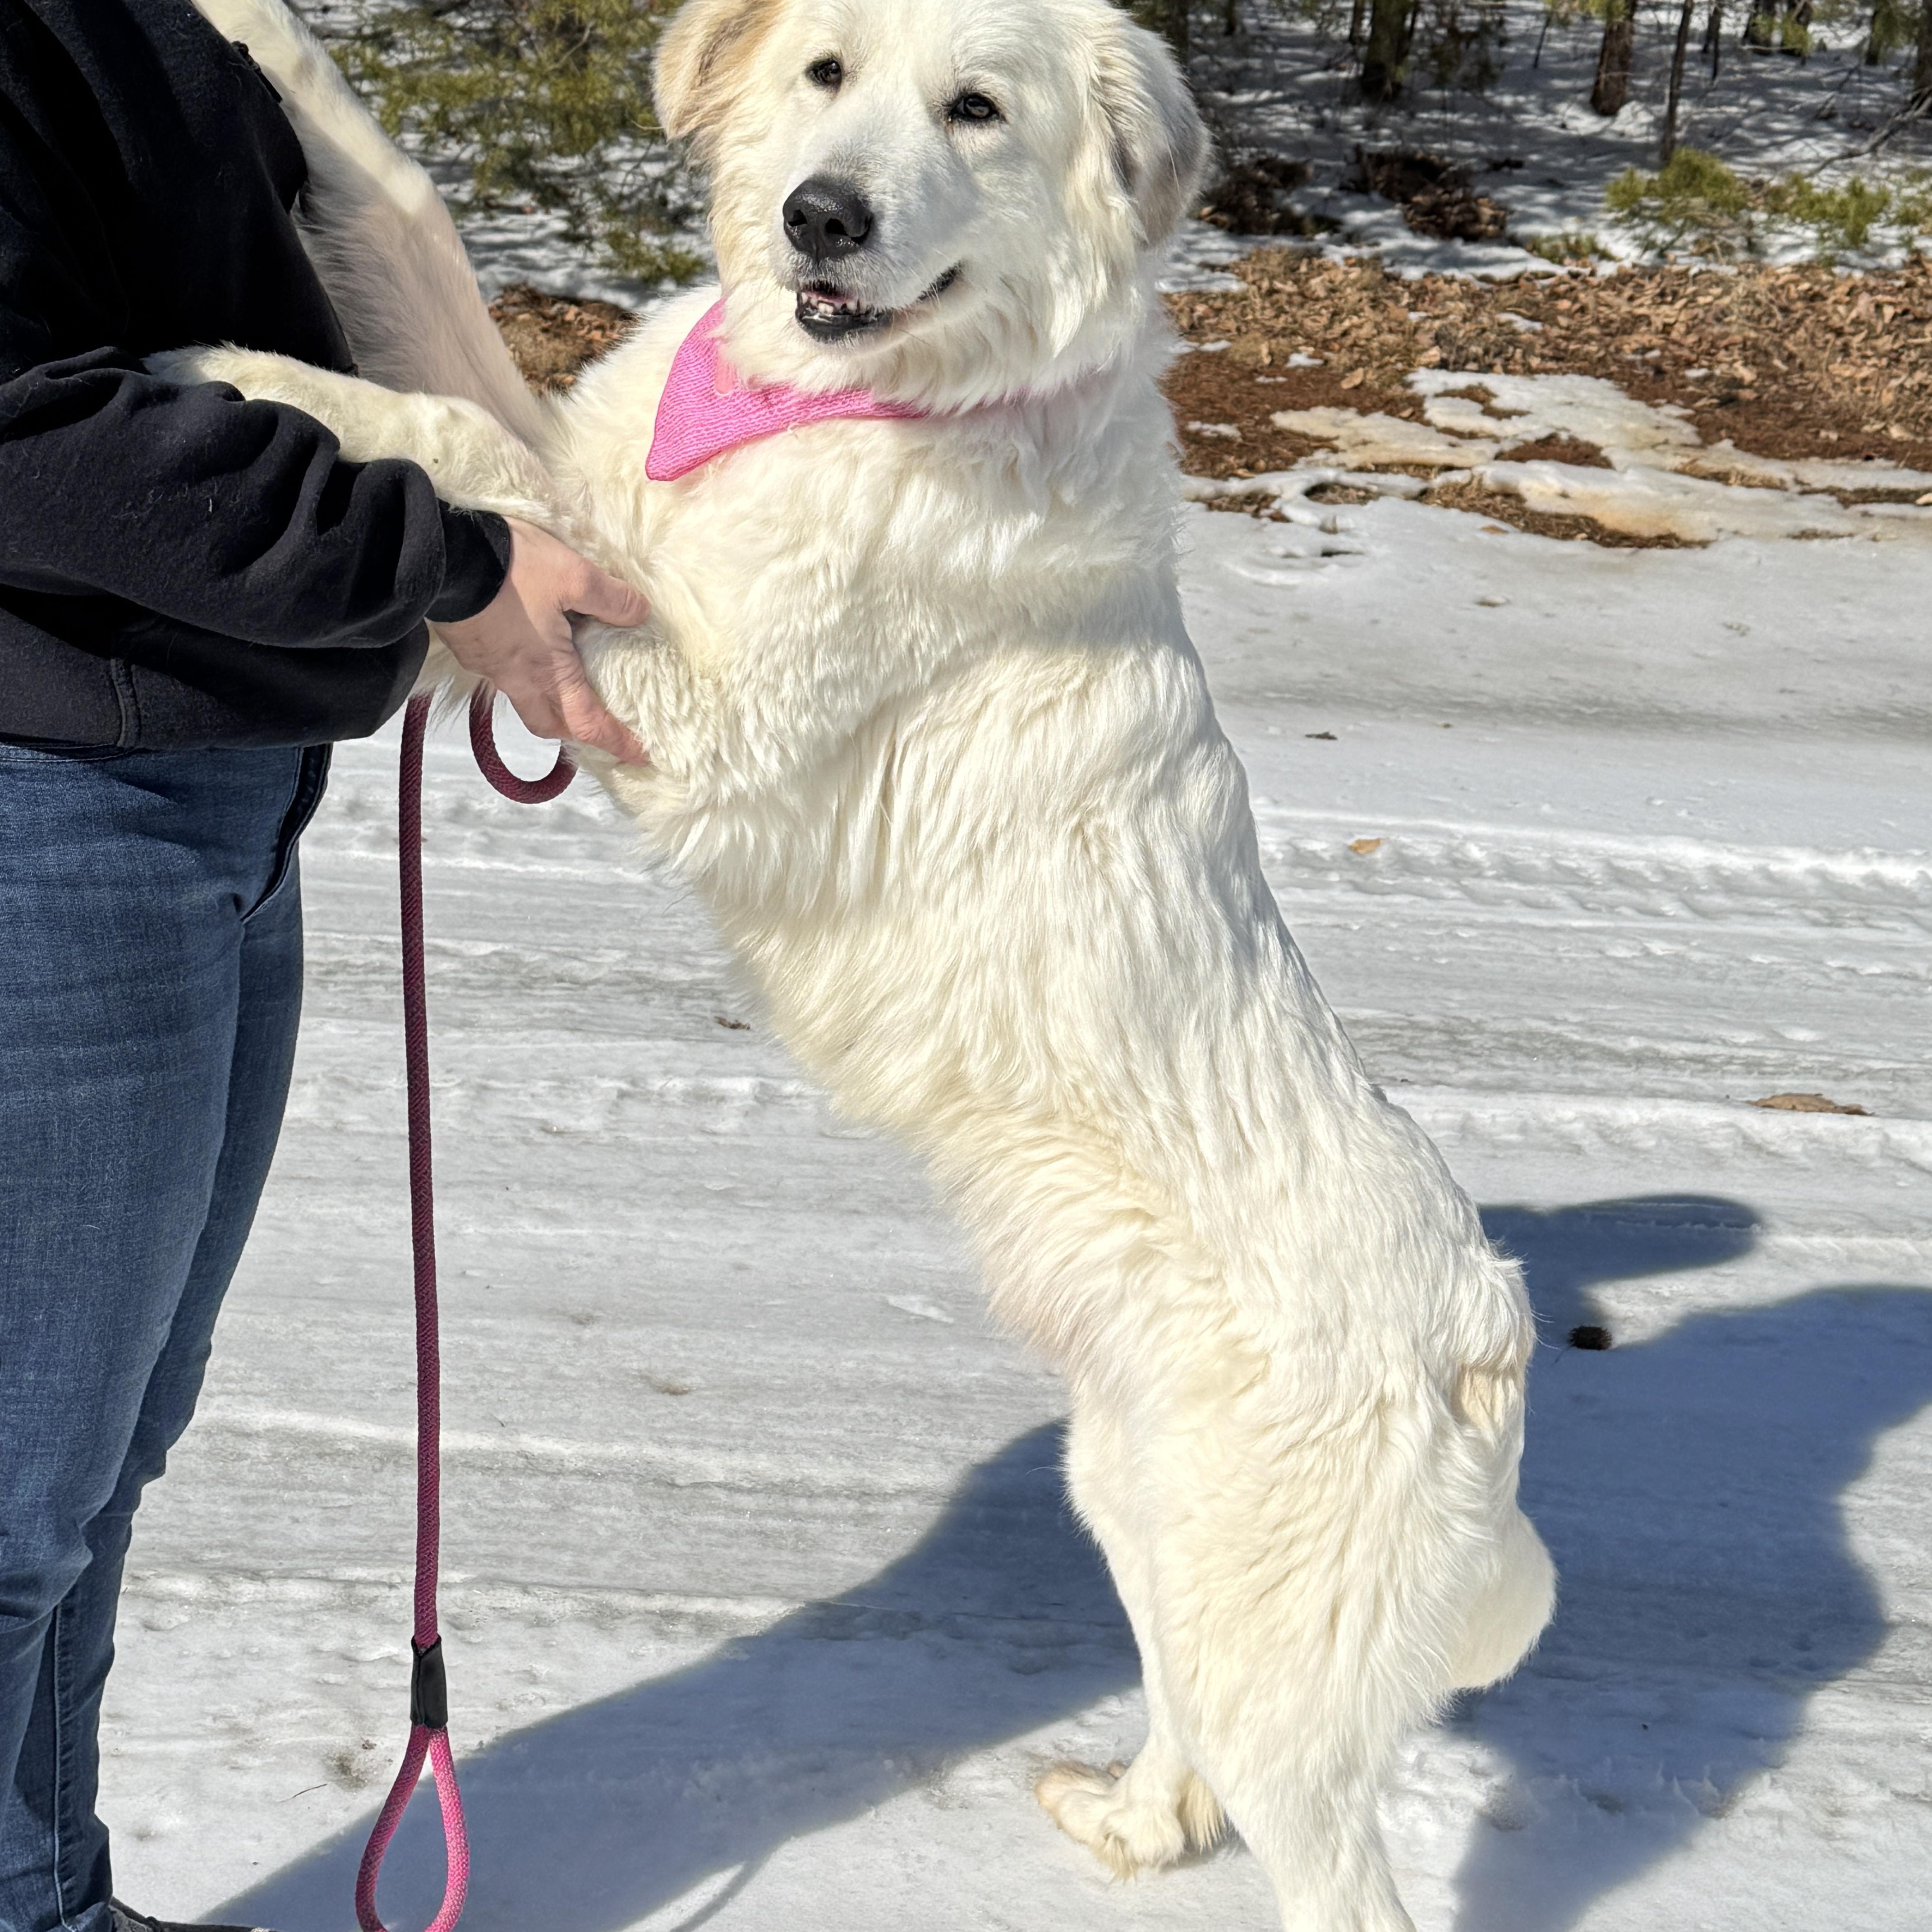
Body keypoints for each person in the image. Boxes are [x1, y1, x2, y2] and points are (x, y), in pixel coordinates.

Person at [0, 5, 649, 1929]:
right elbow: (30, 430)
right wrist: (436, 556)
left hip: (207, 785)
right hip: (53, 804)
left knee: (95, 1462)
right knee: (17, 1488)